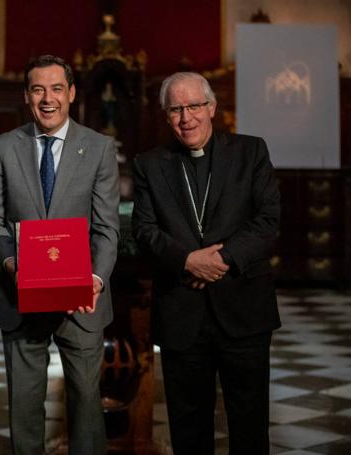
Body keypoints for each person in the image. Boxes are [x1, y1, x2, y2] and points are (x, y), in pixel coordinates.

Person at [131, 72, 281, 454]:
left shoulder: (251, 152)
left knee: (249, 426)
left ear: (212, 107)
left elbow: (267, 220)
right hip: (183, 315)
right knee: (188, 429)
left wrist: (220, 259)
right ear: (166, 116)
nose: (187, 118)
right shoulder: (149, 164)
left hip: (244, 310)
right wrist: (186, 261)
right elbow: (145, 231)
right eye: (176, 109)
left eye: (194, 106)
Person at [0, 55, 120, 454]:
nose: (48, 99)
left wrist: (94, 279)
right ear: (27, 96)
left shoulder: (98, 148)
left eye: (56, 88)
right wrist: (12, 263)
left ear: (72, 93)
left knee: (86, 406)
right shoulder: (3, 148)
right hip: (20, 297)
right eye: (38, 89)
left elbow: (106, 227)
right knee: (24, 408)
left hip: (83, 301)